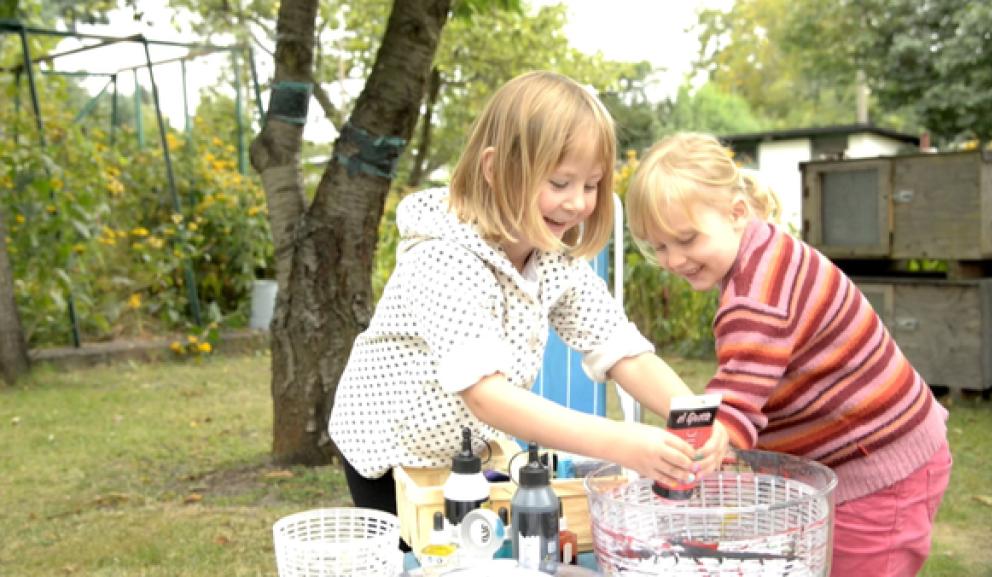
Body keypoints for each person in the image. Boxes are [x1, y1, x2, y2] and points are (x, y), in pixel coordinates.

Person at [327, 73, 729, 529]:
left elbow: (622, 350)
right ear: (496, 169)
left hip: (468, 450)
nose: (578, 203)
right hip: (390, 452)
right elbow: (488, 397)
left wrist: (691, 415)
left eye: (592, 184)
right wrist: (622, 442)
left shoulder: (552, 256)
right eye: (560, 182)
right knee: (426, 557)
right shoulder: (444, 259)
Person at [624, 132, 952, 577]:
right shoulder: (762, 246)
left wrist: (695, 456)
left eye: (686, 240)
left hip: (878, 469)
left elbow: (737, 400)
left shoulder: (755, 297)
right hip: (874, 453)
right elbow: (756, 371)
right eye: (658, 247)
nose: (675, 260)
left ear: (736, 213)